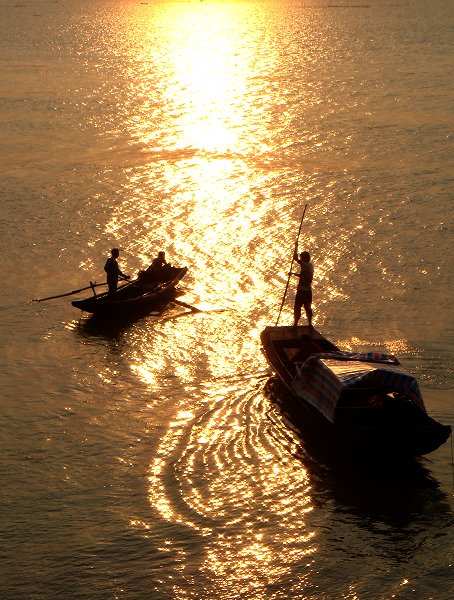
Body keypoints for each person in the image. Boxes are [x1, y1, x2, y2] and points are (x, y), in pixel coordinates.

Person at [291, 246, 314, 327]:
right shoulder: (310, 266)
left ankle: (295, 324)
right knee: (308, 307)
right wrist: (293, 274)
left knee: (297, 307)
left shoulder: (305, 265)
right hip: (308, 291)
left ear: (304, 259)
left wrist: (296, 247)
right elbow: (303, 276)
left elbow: (295, 258)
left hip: (302, 291)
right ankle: (310, 324)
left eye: (301, 258)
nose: (300, 259)